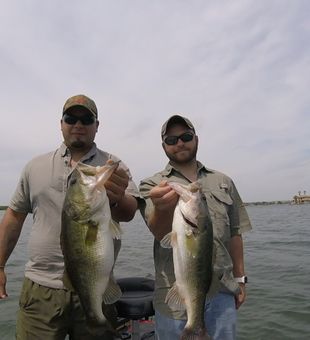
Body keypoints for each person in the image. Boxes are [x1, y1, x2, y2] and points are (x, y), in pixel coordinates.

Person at [0, 94, 139, 339]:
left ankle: (96, 317)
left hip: (97, 283)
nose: (78, 124)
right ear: (61, 123)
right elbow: (13, 218)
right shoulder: (35, 166)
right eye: (70, 118)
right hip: (40, 290)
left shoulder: (114, 166)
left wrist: (117, 198)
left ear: (97, 126)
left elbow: (129, 213)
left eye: (86, 119)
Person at [139, 115, 252, 340]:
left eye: (186, 137)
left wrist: (240, 279)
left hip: (223, 291)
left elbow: (235, 233)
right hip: (174, 298)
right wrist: (162, 209)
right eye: (171, 140)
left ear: (196, 139)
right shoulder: (151, 184)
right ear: (164, 147)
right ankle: (194, 325)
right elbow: (159, 232)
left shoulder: (223, 181)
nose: (179, 143)